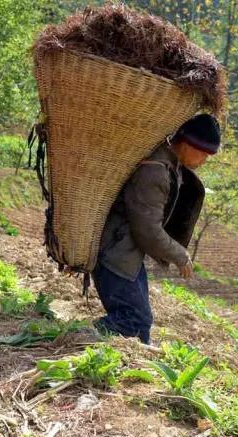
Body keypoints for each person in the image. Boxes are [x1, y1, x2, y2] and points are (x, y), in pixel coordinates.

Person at [92, 113, 221, 344]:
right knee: (134, 321)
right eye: (203, 153)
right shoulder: (155, 172)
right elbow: (147, 231)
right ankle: (80, 338)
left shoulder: (170, 164)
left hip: (127, 254)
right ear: (188, 144)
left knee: (141, 322)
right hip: (115, 253)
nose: (205, 160)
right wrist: (180, 255)